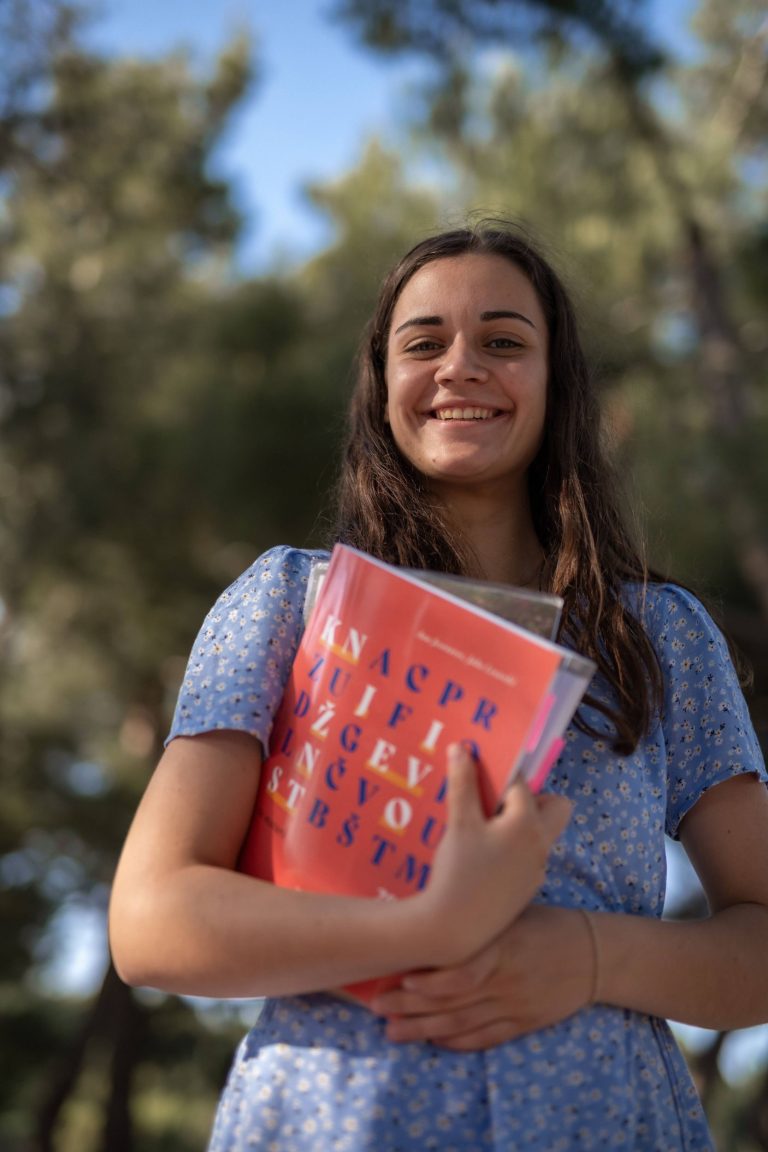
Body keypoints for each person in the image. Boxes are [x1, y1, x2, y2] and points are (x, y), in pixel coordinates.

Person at [109, 221, 768, 1151]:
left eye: (503, 341)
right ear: (382, 386)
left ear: (557, 383)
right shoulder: (288, 605)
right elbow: (149, 924)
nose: (461, 366)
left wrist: (589, 957)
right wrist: (432, 927)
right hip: (332, 1124)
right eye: (423, 344)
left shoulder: (659, 634)